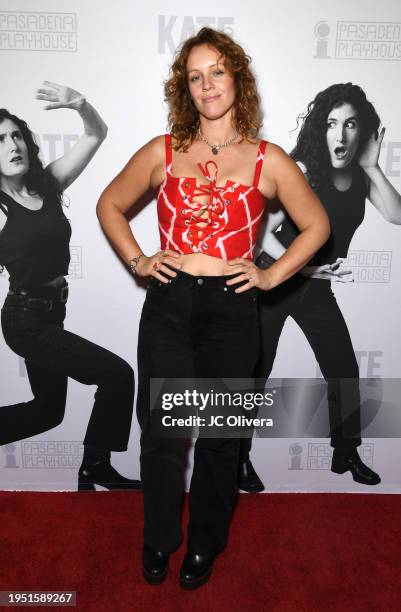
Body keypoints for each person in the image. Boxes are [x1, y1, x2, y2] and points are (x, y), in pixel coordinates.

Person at [97, 27, 329, 588]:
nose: (207, 85)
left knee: (222, 438)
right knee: (163, 436)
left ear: (237, 79)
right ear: (186, 88)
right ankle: (159, 539)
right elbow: (109, 204)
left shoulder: (267, 159)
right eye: (195, 76)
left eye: (217, 71)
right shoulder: (164, 150)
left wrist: (271, 274)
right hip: (171, 307)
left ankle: (205, 543)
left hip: (231, 311)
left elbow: (317, 225)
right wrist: (138, 261)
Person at [240, 82, 401, 491]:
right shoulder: (305, 171)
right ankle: (237, 458)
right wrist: (304, 269)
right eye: (332, 124)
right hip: (273, 281)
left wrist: (371, 167)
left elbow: (397, 216)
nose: (341, 134)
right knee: (256, 370)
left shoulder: (362, 178)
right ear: (320, 128)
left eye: (350, 124)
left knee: (343, 370)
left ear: (362, 131)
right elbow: (261, 232)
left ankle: (345, 453)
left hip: (314, 288)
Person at [0, 82, 141, 491]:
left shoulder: (47, 184)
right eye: (1, 139)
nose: (13, 144)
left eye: (17, 135)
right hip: (25, 320)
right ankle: (95, 466)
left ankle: (93, 466)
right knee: (117, 375)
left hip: (52, 313)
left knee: (48, 413)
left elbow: (96, 134)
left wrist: (80, 104)